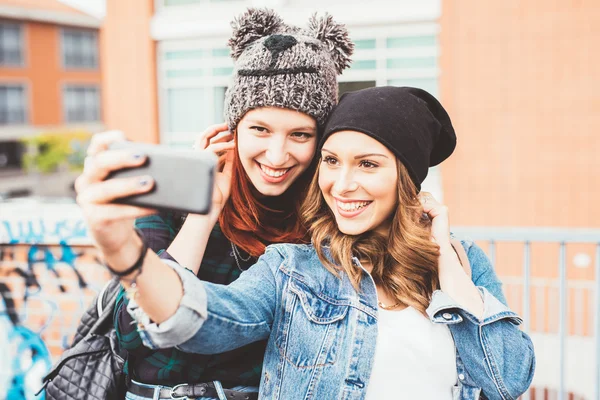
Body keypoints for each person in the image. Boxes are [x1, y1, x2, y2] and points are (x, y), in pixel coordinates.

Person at [76, 85, 535, 399]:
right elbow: (195, 322)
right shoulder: (294, 266)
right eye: (331, 161)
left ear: (406, 179)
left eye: (368, 165)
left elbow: (506, 379)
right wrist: (124, 252)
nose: (342, 183)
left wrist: (451, 275)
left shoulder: (465, 264)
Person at [76, 8, 354, 400]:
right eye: (260, 129)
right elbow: (133, 329)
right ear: (231, 130)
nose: (277, 155)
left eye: (300, 134)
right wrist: (203, 214)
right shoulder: (172, 202)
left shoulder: (326, 219)